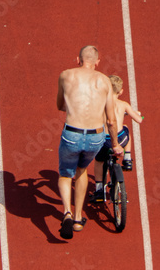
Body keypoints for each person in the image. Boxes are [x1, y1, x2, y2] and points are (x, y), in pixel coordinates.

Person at [56, 45, 122, 239]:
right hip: (95, 136)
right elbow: (111, 119)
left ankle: (67, 212)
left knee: (65, 174)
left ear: (78, 60)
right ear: (97, 62)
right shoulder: (104, 81)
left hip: (72, 134)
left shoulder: (65, 75)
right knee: (82, 170)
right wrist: (116, 145)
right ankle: (78, 219)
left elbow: (60, 104)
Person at [90, 75, 143, 202]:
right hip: (121, 139)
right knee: (126, 128)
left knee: (99, 161)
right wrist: (137, 113)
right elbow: (139, 120)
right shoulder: (123, 104)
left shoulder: (101, 104)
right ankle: (127, 158)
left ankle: (99, 190)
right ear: (121, 91)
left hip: (105, 141)